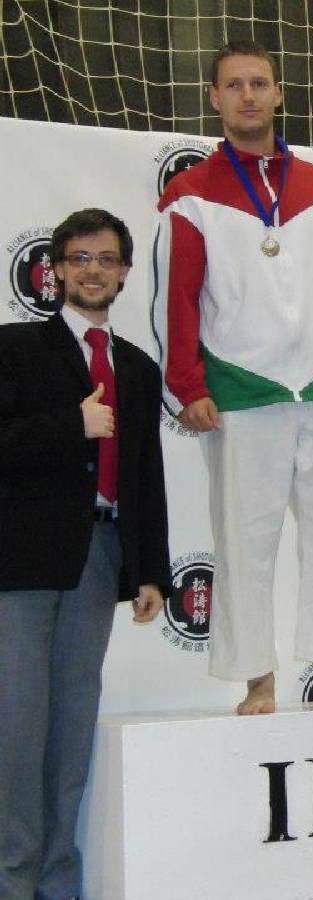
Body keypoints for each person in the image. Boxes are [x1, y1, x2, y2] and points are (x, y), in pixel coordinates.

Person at [157, 40, 313, 714]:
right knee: (246, 537)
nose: (248, 96)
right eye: (234, 85)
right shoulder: (189, 197)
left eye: (259, 83)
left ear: (278, 93)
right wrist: (188, 385)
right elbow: (176, 301)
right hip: (240, 386)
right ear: (214, 97)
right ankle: (257, 681)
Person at [0, 208, 169, 900]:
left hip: (100, 558)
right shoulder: (14, 348)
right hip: (21, 562)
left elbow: (146, 473)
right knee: (17, 729)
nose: (92, 270)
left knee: (71, 728)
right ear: (56, 271)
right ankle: (13, 880)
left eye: (105, 259)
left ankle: (57, 881)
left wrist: (150, 570)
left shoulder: (138, 368)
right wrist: (71, 423)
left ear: (124, 272)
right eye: (79, 258)